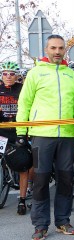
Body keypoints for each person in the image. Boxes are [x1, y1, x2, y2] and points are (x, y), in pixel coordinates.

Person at [16, 34, 74, 240]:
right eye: (53, 48)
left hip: (67, 136)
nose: (57, 52)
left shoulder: (71, 75)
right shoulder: (36, 73)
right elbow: (24, 103)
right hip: (42, 135)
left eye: (61, 48)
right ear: (46, 50)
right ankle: (40, 225)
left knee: (66, 180)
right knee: (41, 180)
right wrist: (20, 133)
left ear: (65, 51)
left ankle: (62, 221)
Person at [0, 61, 34, 215]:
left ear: (17, 76)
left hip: (18, 132)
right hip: (2, 132)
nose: (8, 76)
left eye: (12, 74)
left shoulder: (22, 89)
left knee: (24, 166)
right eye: (5, 73)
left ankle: (22, 199)